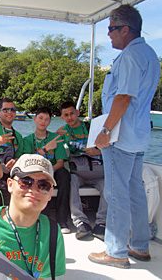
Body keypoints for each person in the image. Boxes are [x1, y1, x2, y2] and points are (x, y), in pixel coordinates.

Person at [88, 4, 161, 269]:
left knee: (116, 193)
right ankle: (140, 247)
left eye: (111, 29)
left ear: (125, 29)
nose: (108, 35)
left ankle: (116, 252)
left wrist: (105, 131)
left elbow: (123, 96)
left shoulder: (130, 56)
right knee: (135, 190)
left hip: (120, 136)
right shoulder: (150, 54)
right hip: (139, 136)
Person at [59, 101, 108, 240]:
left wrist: (98, 151)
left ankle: (101, 222)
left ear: (77, 113)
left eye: (72, 114)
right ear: (62, 117)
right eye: (66, 115)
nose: (70, 117)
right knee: (71, 182)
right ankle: (81, 222)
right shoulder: (62, 131)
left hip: (98, 171)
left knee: (108, 186)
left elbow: (110, 143)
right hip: (78, 172)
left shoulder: (92, 127)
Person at [23, 107, 71, 234]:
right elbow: (28, 161)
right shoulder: (27, 140)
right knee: (35, 179)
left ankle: (62, 220)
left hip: (53, 171)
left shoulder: (56, 138)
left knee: (65, 176)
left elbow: (60, 162)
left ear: (50, 122)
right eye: (40, 118)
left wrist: (49, 172)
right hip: (34, 172)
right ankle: (39, 218)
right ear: (34, 119)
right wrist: (45, 149)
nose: (43, 122)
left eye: (47, 119)